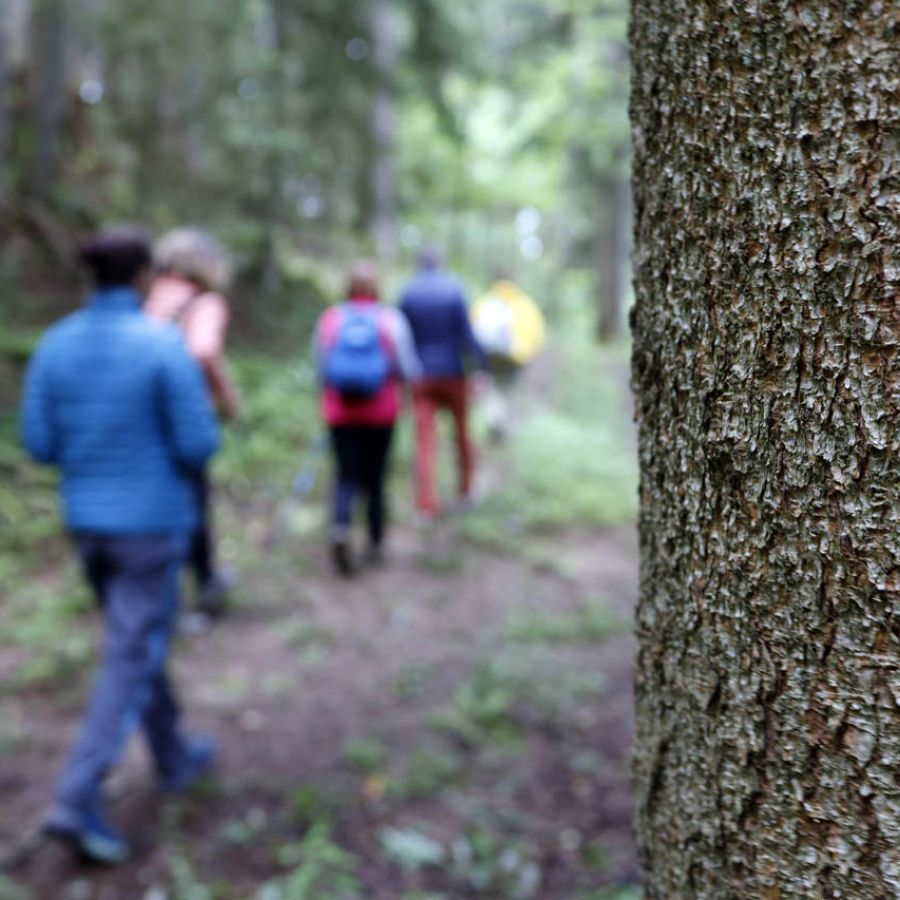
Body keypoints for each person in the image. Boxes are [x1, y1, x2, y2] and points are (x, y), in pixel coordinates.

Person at [20, 226, 220, 864]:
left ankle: (172, 753)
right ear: (141, 279)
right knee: (131, 652)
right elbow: (198, 444)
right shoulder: (160, 345)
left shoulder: (55, 345)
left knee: (135, 638)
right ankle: (76, 797)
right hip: (151, 525)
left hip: (87, 525)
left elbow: (41, 443)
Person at [144, 228, 239, 616]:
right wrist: (225, 398)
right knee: (195, 503)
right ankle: (205, 584)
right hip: (185, 417)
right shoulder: (204, 302)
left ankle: (159, 588)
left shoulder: (152, 297)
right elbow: (204, 351)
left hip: (145, 417)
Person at [313, 260, 421, 575]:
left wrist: (325, 400)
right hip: (381, 412)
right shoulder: (390, 319)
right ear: (377, 286)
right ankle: (376, 542)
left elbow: (320, 367)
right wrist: (408, 399)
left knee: (346, 475)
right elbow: (407, 367)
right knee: (375, 479)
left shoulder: (331, 318)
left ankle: (341, 527)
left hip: (340, 412)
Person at [399, 250, 487, 519]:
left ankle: (425, 504)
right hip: (454, 374)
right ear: (440, 263)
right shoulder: (454, 289)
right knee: (462, 434)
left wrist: (399, 376)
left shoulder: (407, 293)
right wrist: (481, 367)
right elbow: (467, 334)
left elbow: (400, 337)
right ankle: (466, 491)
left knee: (425, 441)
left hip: (421, 377)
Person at [470, 275, 546, 440]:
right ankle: (506, 427)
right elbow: (537, 331)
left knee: (493, 389)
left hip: (490, 355)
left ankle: (497, 420)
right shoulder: (525, 304)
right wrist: (531, 352)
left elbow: (472, 327)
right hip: (516, 357)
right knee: (510, 390)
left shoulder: (485, 301)